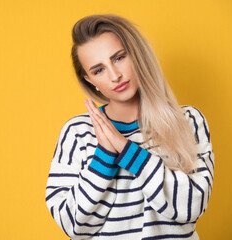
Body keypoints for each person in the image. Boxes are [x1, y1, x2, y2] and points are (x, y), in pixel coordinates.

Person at [45, 14, 214, 240]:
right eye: (99, 70)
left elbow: (192, 206)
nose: (115, 76)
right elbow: (74, 226)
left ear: (136, 54)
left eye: (119, 58)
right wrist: (105, 155)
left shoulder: (188, 120)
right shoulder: (77, 133)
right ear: (89, 80)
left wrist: (126, 149)